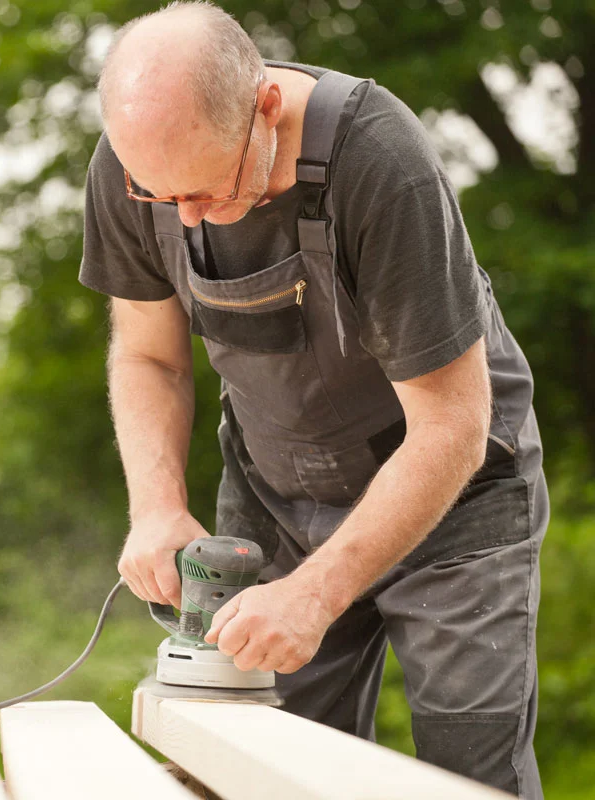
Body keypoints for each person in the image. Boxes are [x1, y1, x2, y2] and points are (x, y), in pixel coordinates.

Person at [79, 3, 546, 797]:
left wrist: (319, 593)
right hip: (277, 499)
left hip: (456, 497)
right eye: (159, 195)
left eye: (207, 190)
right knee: (260, 764)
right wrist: (156, 506)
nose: (185, 217)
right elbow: (149, 356)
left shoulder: (380, 163)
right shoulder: (140, 162)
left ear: (265, 106)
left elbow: (452, 425)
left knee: (470, 774)